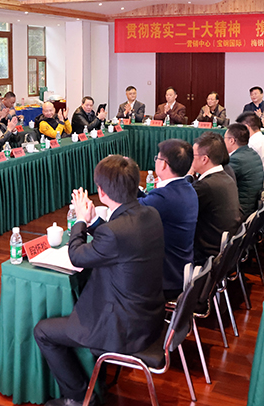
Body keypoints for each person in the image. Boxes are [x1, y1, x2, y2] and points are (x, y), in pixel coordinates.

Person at [34, 156, 165, 406]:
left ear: (101, 192)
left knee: (42, 332)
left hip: (122, 328)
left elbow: (76, 256)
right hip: (150, 317)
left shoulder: (115, 232)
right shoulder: (150, 214)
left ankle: (78, 398)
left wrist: (80, 220)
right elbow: (119, 242)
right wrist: (94, 222)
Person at [138, 139, 199, 301]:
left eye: (157, 158)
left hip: (167, 278)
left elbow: (132, 209)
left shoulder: (165, 197)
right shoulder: (187, 188)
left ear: (164, 164)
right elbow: (147, 201)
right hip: (182, 269)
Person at [191, 132, 243, 265]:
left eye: (193, 155)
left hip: (207, 253)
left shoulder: (206, 186)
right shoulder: (226, 177)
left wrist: (188, 176)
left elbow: (182, 204)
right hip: (226, 249)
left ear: (204, 159)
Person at [224, 123, 264, 219]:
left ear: (232, 140)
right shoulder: (252, 153)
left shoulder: (236, 160)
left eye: (225, 138)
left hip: (241, 211)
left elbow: (221, 183)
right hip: (252, 207)